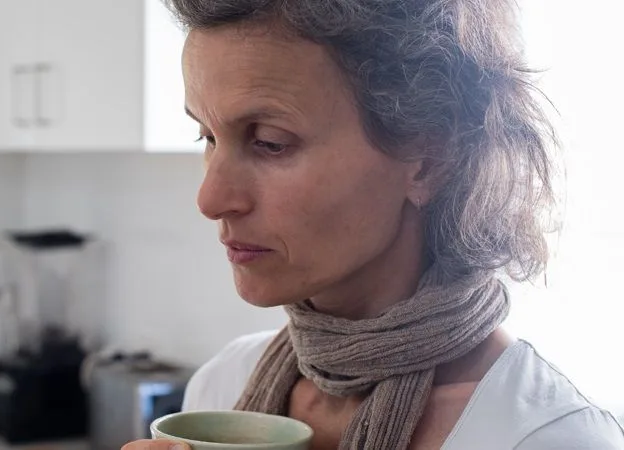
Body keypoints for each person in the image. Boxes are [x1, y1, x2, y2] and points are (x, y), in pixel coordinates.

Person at [124, 0, 624, 449]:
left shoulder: (549, 437)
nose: (211, 199)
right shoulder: (223, 384)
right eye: (206, 136)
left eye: (270, 142)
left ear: (430, 159)